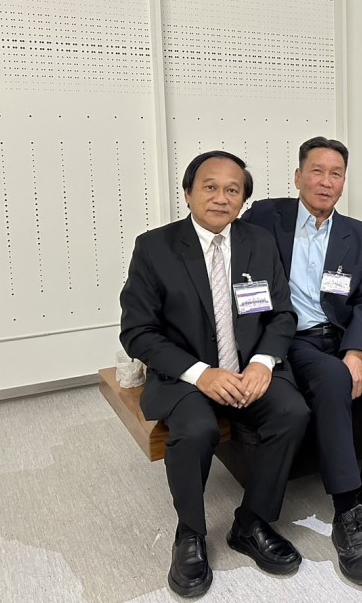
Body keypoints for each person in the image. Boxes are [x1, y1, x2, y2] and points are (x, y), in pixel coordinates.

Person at [119, 151, 310, 598]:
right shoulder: (155, 248)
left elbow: (282, 315)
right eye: (210, 187)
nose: (221, 198)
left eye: (232, 190)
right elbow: (137, 332)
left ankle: (252, 522)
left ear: (243, 200)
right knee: (196, 429)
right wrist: (201, 373)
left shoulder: (259, 242)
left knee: (292, 412)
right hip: (186, 374)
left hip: (248, 369)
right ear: (188, 193)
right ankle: (190, 532)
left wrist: (263, 362)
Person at [241, 137, 362, 587]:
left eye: (335, 174)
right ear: (298, 176)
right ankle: (346, 510)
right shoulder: (266, 216)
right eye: (316, 171)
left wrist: (356, 350)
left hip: (341, 333)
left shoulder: (360, 234)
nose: (325, 181)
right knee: (334, 379)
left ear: (344, 182)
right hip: (292, 337)